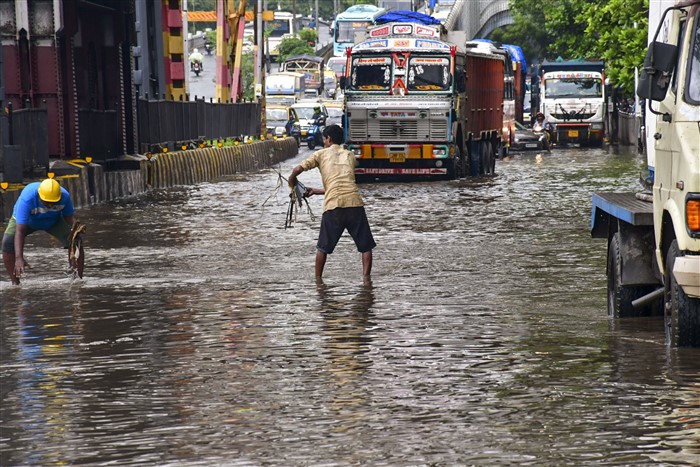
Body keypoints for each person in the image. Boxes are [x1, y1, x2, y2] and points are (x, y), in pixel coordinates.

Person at [288, 124, 376, 278]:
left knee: (322, 248)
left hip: (333, 206)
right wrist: (316, 191)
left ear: (328, 139)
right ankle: (366, 281)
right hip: (354, 204)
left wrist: (291, 182)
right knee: (365, 246)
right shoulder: (349, 156)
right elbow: (343, 184)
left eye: (324, 140)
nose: (324, 142)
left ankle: (318, 282)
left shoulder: (320, 154)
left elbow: (297, 170)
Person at [2, 179, 77, 285]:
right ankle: (15, 284)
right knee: (7, 242)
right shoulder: (28, 198)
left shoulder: (65, 196)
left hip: (53, 220)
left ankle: (77, 278)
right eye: (46, 202)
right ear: (39, 196)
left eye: (53, 202)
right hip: (27, 221)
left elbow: (69, 218)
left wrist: (77, 227)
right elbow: (20, 232)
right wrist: (19, 258)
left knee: (76, 240)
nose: (50, 205)